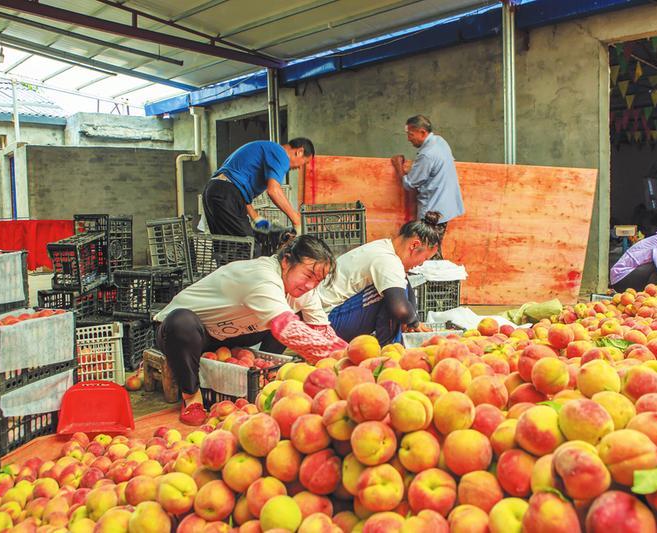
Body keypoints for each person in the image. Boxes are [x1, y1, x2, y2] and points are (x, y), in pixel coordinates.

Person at [153, 235, 347, 426]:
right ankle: (191, 397)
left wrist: (347, 358)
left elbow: (322, 331)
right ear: (286, 261)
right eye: (308, 275)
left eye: (318, 280)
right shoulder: (261, 277)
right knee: (182, 322)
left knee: (293, 316)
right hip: (183, 334)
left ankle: (265, 377)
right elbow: (288, 329)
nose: (311, 285)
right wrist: (351, 361)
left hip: (228, 335)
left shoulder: (305, 291)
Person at [319, 211, 444, 346]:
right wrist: (411, 320)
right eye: (424, 258)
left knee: (396, 288)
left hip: (331, 317)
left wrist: (413, 320)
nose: (420, 264)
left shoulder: (384, 248)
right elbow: (400, 310)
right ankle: (390, 349)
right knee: (391, 297)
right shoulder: (387, 260)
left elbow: (405, 286)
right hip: (327, 323)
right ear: (414, 245)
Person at [202, 138, 314, 239]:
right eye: (305, 162)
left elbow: (238, 188)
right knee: (247, 247)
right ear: (299, 152)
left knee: (226, 247)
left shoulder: (268, 149)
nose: (300, 167)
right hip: (225, 194)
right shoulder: (281, 154)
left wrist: (255, 217)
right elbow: (273, 190)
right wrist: (296, 220)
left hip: (214, 191)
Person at [390, 115, 464, 254]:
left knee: (427, 252)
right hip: (445, 207)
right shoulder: (440, 141)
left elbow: (409, 184)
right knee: (432, 249)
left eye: (411, 134)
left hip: (432, 211)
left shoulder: (427, 155)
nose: (408, 139)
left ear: (423, 132)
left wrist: (398, 165)